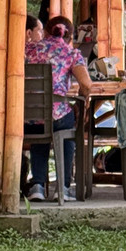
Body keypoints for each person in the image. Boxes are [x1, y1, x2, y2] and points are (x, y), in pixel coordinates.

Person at [24, 15, 91, 201]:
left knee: (40, 128)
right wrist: (82, 100)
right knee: (67, 127)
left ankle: (37, 186)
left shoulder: (28, 49)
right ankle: (63, 187)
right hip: (57, 115)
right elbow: (86, 84)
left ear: (46, 32)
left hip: (28, 115)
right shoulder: (71, 53)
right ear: (70, 36)